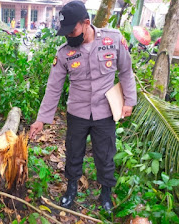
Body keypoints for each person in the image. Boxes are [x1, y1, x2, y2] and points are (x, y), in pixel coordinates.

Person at [29, 0, 137, 212]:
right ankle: (71, 189)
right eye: (66, 32)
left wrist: (130, 102)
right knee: (73, 153)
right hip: (77, 112)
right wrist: (41, 119)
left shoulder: (112, 40)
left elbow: (125, 71)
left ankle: (106, 193)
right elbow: (53, 87)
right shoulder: (63, 53)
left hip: (105, 112)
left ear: (86, 23)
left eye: (73, 30)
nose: (69, 36)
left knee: (105, 154)